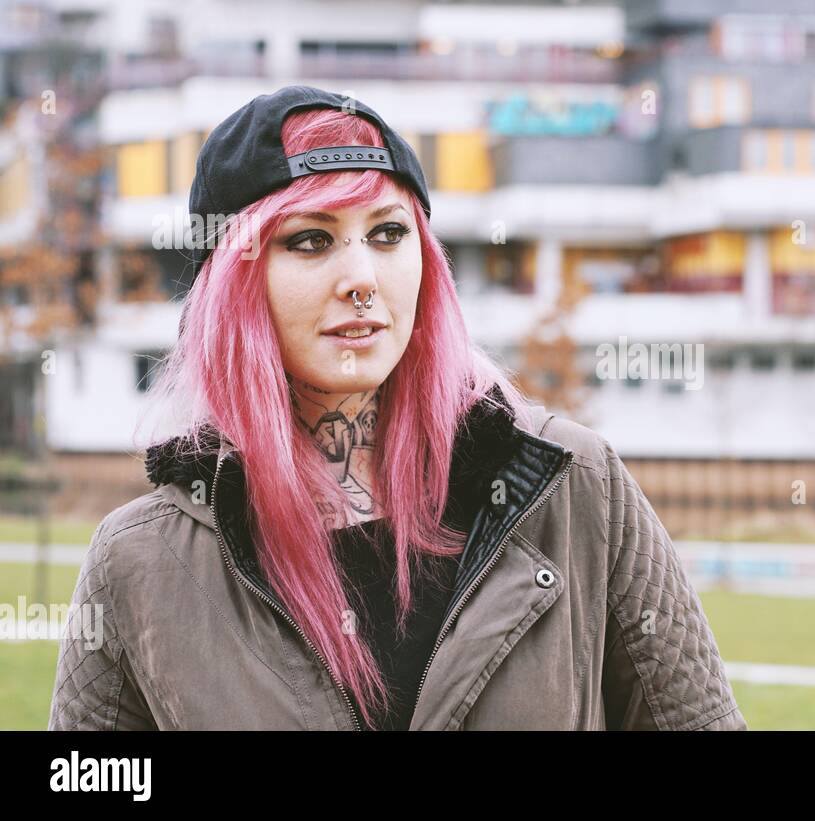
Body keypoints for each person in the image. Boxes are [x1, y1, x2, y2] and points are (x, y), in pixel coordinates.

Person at [47, 85, 746, 731]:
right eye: (310, 240)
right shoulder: (140, 562)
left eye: (387, 233)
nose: (362, 278)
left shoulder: (575, 489)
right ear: (236, 285)